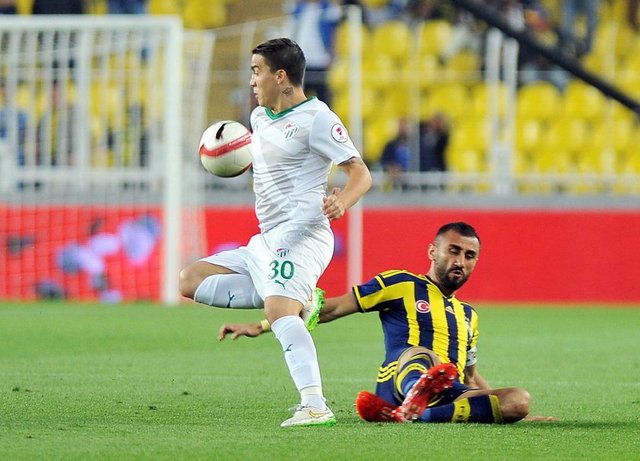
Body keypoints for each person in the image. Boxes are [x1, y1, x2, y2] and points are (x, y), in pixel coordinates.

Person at [179, 38, 372, 428]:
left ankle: (315, 405)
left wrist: (343, 202)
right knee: (190, 279)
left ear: (280, 76)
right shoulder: (258, 118)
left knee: (278, 310)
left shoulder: (318, 118)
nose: (252, 80)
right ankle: (295, 299)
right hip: (266, 239)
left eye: (257, 71)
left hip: (304, 234)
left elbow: (361, 174)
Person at [219, 222, 553, 424]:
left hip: (447, 392)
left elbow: (467, 376)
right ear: (433, 252)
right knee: (424, 355)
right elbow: (333, 308)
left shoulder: (469, 316)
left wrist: (500, 405)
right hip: (399, 379)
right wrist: (265, 324)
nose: (460, 261)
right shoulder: (401, 283)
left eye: (469, 256)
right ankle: (415, 396)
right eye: (453, 251)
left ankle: (418, 414)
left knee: (519, 398)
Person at [379, 118, 411, 190]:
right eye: (401, 126)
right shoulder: (391, 145)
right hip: (396, 180)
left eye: (406, 126)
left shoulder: (418, 145)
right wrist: (392, 167)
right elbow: (385, 161)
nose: (403, 129)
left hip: (415, 179)